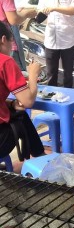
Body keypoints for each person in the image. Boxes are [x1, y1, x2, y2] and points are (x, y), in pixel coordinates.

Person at [0, 22, 45, 161]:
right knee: (22, 116)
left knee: (17, 112)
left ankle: (39, 156)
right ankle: (40, 159)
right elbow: (28, 101)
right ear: (3, 40)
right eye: (11, 42)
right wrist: (33, 75)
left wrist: (10, 104)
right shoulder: (5, 62)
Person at [0, 0, 37, 70]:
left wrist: (16, 11)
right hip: (5, 41)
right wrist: (27, 13)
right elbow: (13, 19)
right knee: (15, 77)